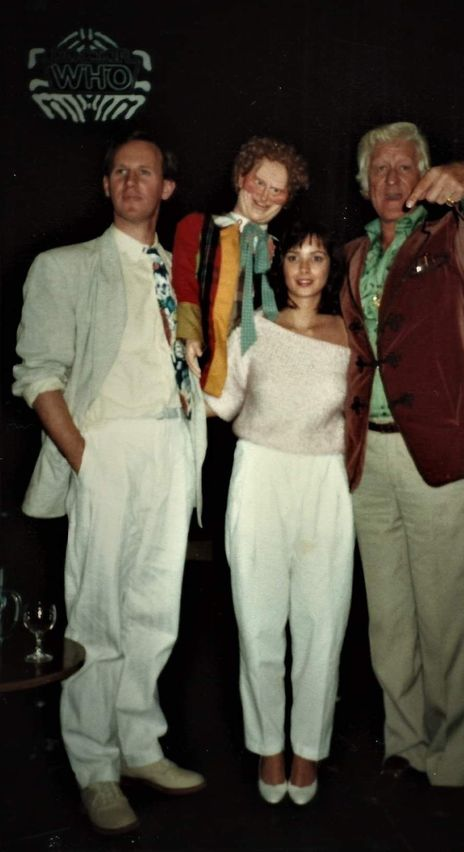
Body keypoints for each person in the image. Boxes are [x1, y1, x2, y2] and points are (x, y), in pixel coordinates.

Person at [12, 131, 207, 835]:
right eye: (119, 171)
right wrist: (86, 460)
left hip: (170, 449)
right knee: (95, 617)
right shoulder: (63, 267)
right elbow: (38, 374)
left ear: (167, 189)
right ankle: (94, 766)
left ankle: (139, 747)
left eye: (145, 171)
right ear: (105, 187)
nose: (131, 181)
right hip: (104, 447)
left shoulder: (184, 273)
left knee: (155, 612)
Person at [341, 121, 464, 789]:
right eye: (378, 169)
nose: (390, 179)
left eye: (403, 167)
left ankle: (452, 756)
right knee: (389, 617)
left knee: (443, 615)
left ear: (423, 179)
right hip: (367, 461)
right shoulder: (351, 255)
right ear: (362, 182)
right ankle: (404, 745)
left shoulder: (453, 244)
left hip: (435, 454)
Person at [205, 223, 354, 806]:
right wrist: (192, 355)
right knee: (260, 621)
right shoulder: (253, 328)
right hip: (260, 472)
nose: (304, 268)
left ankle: (308, 750)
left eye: (316, 257)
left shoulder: (350, 336)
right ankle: (268, 746)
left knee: (322, 624)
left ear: (329, 268)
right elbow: (222, 403)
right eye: (293, 255)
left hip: (324, 479)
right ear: (279, 264)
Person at [171, 135, 310, 391]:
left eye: (277, 190)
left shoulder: (285, 253)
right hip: (203, 371)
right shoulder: (198, 227)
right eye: (259, 183)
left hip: (259, 384)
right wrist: (190, 334)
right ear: (240, 178)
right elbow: (184, 284)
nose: (265, 197)